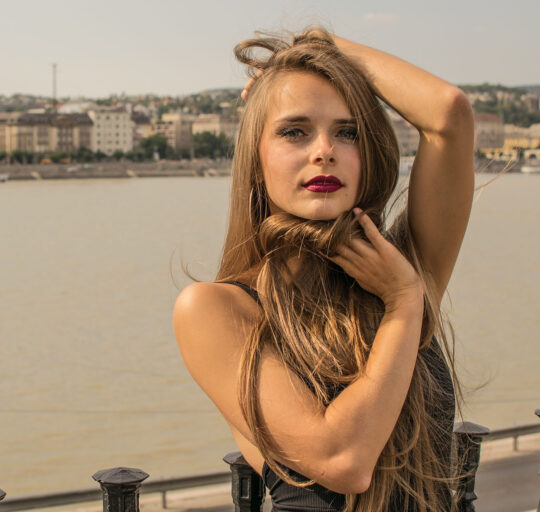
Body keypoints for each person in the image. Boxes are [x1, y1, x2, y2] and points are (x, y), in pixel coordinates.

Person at [173, 29, 474, 512]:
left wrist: (323, 44)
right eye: (295, 131)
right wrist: (401, 305)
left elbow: (448, 113)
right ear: (256, 158)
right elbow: (344, 462)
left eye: (346, 132)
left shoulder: (405, 266)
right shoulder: (216, 310)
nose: (324, 151)